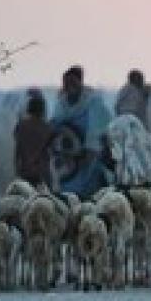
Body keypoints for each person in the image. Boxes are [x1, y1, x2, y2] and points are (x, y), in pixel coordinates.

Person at [50, 66, 113, 200]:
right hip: (67, 163)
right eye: (66, 83)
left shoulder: (94, 103)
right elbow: (55, 127)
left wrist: (89, 151)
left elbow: (97, 133)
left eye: (73, 82)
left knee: (90, 196)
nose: (69, 86)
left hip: (90, 160)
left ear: (80, 83)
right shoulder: (61, 104)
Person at [14, 92, 54, 188]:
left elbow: (18, 148)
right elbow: (51, 149)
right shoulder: (47, 127)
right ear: (43, 109)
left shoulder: (21, 126)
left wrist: (16, 168)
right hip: (42, 171)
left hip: (25, 170)